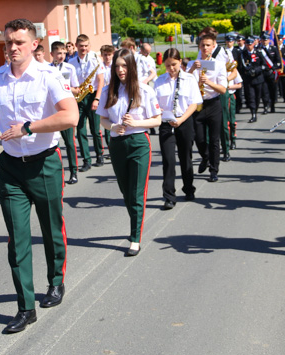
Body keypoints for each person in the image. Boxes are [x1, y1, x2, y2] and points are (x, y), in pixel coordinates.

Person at [0, 18, 79, 334]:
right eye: (8, 42)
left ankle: (56, 282)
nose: (12, 48)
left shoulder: (49, 76)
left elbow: (70, 115)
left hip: (45, 162)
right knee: (17, 238)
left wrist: (28, 127)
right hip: (10, 167)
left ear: (34, 44)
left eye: (19, 42)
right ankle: (25, 307)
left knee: (51, 228)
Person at [98, 48, 161, 255]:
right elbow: (103, 119)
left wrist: (136, 122)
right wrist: (113, 127)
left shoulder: (144, 90)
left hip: (138, 143)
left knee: (136, 193)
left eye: (124, 65)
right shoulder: (108, 91)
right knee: (125, 191)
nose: (120, 70)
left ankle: (135, 238)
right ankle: (136, 223)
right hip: (117, 144)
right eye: (117, 66)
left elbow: (157, 120)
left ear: (131, 67)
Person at [154, 48, 201, 208]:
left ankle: (189, 188)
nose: (171, 68)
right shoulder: (160, 80)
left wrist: (181, 120)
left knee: (185, 157)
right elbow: (154, 103)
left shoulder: (189, 79)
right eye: (168, 66)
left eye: (174, 64)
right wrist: (160, 112)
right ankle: (169, 196)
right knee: (168, 159)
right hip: (166, 123)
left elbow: (194, 103)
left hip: (184, 120)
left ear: (180, 62)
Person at [190, 29, 228, 181]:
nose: (205, 48)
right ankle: (205, 157)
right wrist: (193, 69)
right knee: (198, 138)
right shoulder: (194, 64)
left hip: (213, 103)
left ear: (213, 47)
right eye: (202, 45)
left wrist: (209, 82)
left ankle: (214, 170)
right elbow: (186, 81)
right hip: (198, 104)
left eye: (208, 45)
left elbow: (223, 89)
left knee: (214, 139)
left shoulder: (219, 65)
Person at [74, 34, 105, 171]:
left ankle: (99, 155)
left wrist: (97, 99)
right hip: (79, 96)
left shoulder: (95, 60)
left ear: (89, 46)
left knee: (95, 129)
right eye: (81, 46)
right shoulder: (71, 63)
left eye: (86, 46)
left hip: (92, 95)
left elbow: (101, 81)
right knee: (80, 130)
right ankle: (86, 160)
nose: (84, 48)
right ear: (76, 46)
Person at [51, 41, 81, 184]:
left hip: (66, 107)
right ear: (52, 54)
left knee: (70, 142)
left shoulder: (69, 67)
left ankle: (73, 172)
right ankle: (57, 174)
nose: (61, 55)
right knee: (53, 144)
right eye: (58, 53)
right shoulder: (46, 69)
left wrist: (66, 87)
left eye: (63, 53)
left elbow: (76, 89)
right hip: (52, 110)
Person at [100, 44, 115, 150]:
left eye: (109, 55)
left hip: (114, 93)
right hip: (103, 94)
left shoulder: (115, 66)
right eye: (105, 55)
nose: (107, 57)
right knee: (105, 119)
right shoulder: (100, 66)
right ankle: (109, 145)